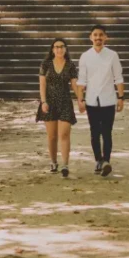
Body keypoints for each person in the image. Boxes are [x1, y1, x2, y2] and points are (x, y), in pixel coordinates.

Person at [77, 24, 124, 177]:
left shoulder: (112, 55)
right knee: (94, 132)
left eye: (101, 35)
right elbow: (81, 80)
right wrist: (80, 100)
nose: (98, 38)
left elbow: (118, 77)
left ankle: (106, 161)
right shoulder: (85, 56)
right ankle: (98, 160)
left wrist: (121, 97)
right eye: (95, 35)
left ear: (106, 37)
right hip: (91, 100)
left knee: (107, 132)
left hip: (109, 99)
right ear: (91, 37)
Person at [36, 38, 79, 177]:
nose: (59, 49)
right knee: (52, 136)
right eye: (56, 47)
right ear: (52, 49)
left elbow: (74, 85)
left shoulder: (71, 65)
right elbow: (42, 85)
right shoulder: (46, 64)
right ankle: (54, 162)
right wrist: (43, 102)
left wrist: (81, 99)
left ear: (65, 49)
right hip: (49, 102)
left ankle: (65, 165)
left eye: (62, 46)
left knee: (64, 134)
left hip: (65, 102)